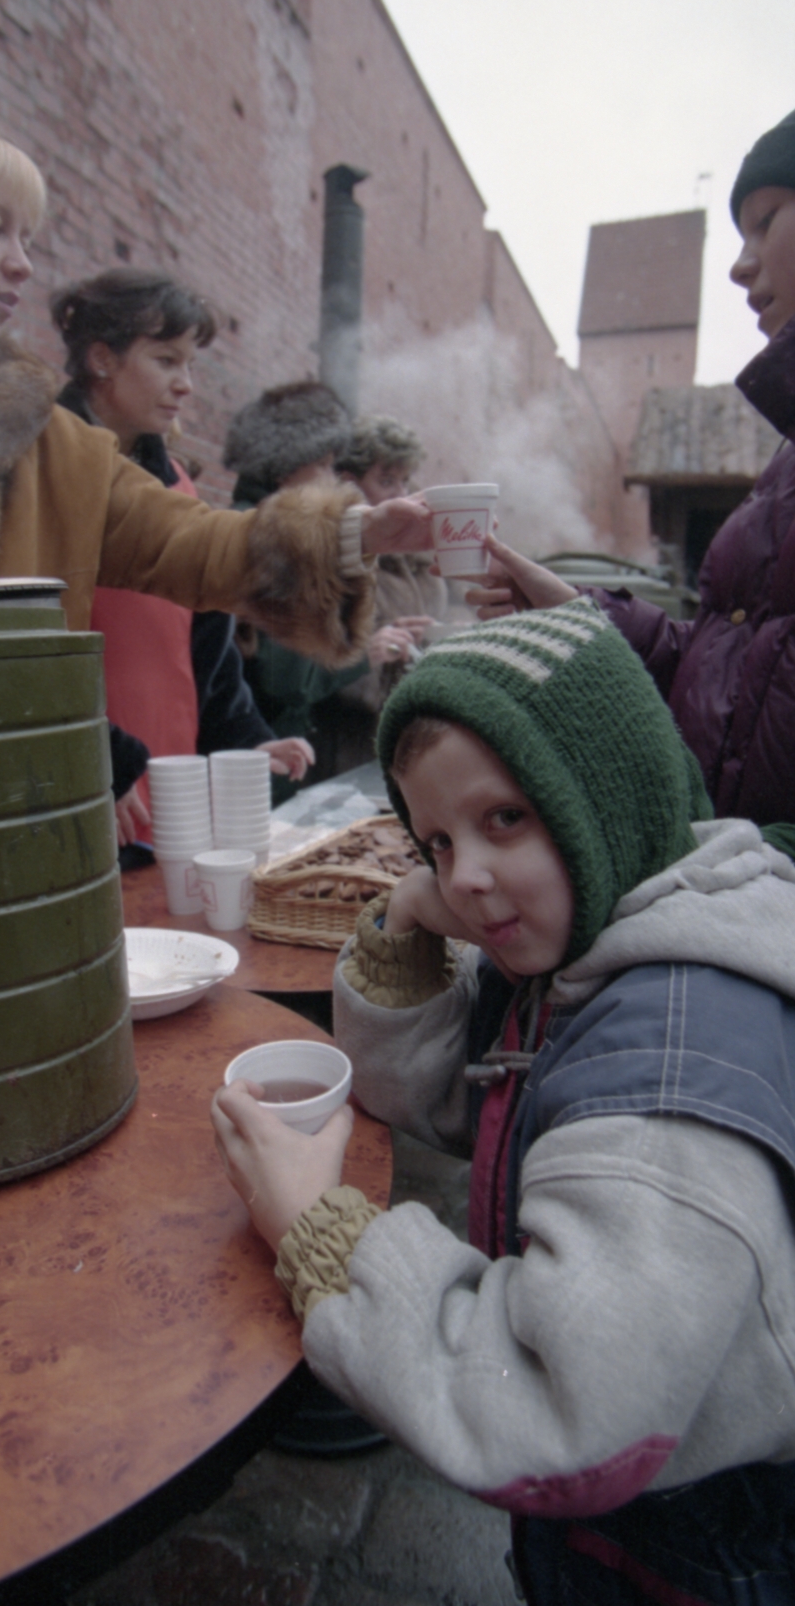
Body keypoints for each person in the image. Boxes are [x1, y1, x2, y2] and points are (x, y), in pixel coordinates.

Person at [212, 603, 795, 1603]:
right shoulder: (590, 947)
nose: (465, 876)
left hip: (689, 1549)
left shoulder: (663, 1085)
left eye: (505, 819)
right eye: (436, 840)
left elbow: (559, 1406)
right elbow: (464, 1103)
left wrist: (322, 1229)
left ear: (607, 793)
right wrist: (404, 926)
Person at [0, 116, 431, 654]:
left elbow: (193, 543)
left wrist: (357, 534)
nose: (22, 263)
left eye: (26, 238)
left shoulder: (55, 447)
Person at [466, 107, 795, 857]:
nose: (740, 266)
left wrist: (749, 870)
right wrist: (574, 612)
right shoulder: (786, 454)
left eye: (767, 221)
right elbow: (723, 670)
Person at [50, 268, 313, 854]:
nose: (186, 384)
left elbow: (207, 647)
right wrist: (99, 759)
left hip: (170, 796)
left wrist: (244, 737)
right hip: (69, 791)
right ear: (102, 358)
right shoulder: (44, 474)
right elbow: (27, 654)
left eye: (190, 364)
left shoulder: (176, 483)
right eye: (166, 361)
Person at [223, 383, 423, 797]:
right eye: (326, 466)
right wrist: (361, 655)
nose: (336, 481)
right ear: (286, 468)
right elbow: (286, 679)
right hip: (264, 764)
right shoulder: (271, 538)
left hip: (265, 757)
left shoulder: (267, 530)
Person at [330, 413, 449, 770]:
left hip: (417, 742)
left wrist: (439, 636)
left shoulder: (420, 559)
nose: (401, 495)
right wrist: (366, 658)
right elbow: (298, 675)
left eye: (404, 481)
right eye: (386, 481)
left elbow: (452, 612)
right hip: (349, 748)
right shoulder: (330, 561)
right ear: (349, 485)